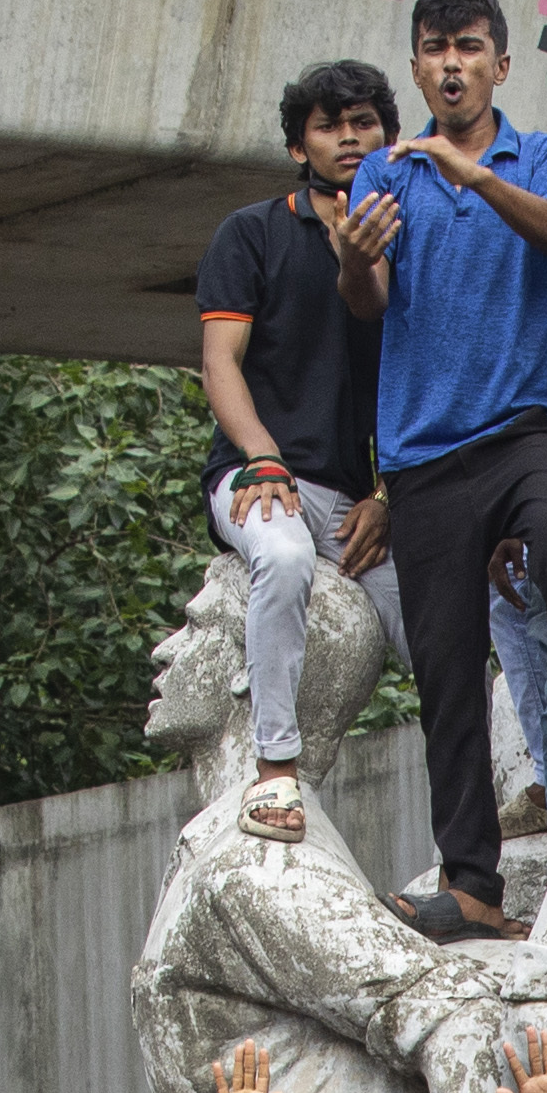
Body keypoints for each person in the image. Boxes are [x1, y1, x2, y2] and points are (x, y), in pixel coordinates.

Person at [352, 0, 547, 940]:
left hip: (526, 426)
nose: (451, 64)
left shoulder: (540, 152)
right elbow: (367, 300)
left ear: (499, 65)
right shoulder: (383, 169)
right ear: (416, 66)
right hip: (423, 451)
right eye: (434, 49)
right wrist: (351, 251)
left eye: (468, 48)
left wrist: (470, 175)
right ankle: (471, 884)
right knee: (446, 668)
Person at [191, 62, 401, 849]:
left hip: (360, 499)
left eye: (363, 121)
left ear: (388, 132)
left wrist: (390, 495)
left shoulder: (409, 234)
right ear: (296, 147)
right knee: (278, 558)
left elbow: (422, 380)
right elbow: (221, 363)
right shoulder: (251, 232)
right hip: (257, 474)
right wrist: (262, 458)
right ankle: (274, 766)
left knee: (450, 619)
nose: (348, 136)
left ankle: (510, 803)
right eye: (327, 124)